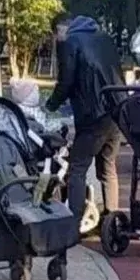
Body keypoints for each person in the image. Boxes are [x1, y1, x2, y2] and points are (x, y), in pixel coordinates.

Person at [45, 14, 123, 221]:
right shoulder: (104, 38)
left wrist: (51, 104)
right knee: (108, 167)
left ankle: (74, 219)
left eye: (56, 35)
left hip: (92, 114)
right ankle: (112, 217)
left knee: (77, 168)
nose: (57, 40)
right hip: (116, 109)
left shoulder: (70, 42)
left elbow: (66, 81)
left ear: (61, 29)